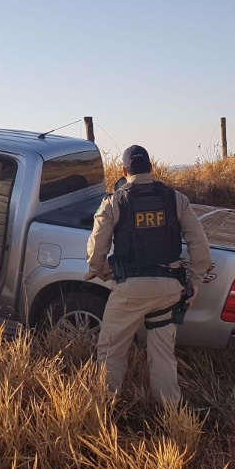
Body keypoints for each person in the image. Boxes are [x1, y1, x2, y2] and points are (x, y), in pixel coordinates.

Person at [87, 144, 212, 406]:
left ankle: (103, 410)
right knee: (163, 355)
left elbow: (98, 246)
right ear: (151, 168)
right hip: (168, 290)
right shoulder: (175, 199)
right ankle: (172, 414)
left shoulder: (114, 201)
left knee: (110, 351)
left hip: (129, 291)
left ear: (123, 170)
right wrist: (196, 281)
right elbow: (199, 243)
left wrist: (98, 270)